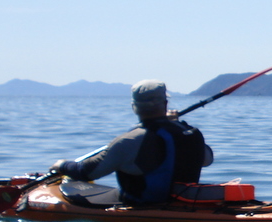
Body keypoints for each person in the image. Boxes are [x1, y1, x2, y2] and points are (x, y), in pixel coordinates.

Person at [50, 79, 213, 204]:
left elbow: (87, 172)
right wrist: (176, 124)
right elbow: (207, 160)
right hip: (183, 202)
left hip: (142, 205)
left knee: (71, 181)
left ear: (134, 106)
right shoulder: (190, 133)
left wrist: (62, 165)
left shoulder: (128, 141)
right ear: (165, 103)